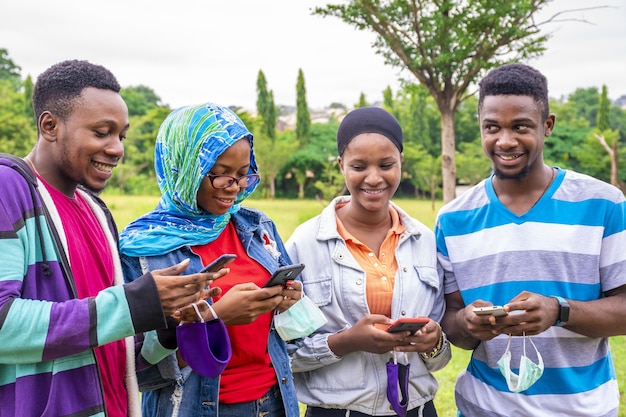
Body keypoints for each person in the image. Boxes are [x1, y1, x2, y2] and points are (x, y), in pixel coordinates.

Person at [0, 60, 220, 417]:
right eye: (102, 132)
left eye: (121, 136)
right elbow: (3, 323)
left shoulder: (96, 212)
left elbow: (112, 350)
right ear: (50, 126)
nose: (117, 148)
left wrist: (166, 329)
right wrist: (132, 304)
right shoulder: (8, 189)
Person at [436, 63, 626, 416]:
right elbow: (451, 323)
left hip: (583, 409)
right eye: (492, 127)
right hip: (484, 408)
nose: (505, 141)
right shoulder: (453, 219)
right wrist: (467, 323)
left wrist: (559, 311)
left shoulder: (603, 204)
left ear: (547, 125)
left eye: (520, 126)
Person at [119, 102, 302, 417]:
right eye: (220, 175)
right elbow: (132, 366)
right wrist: (214, 316)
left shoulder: (258, 228)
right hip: (196, 408)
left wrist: (288, 300)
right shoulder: (142, 247)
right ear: (186, 167)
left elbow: (290, 334)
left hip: (273, 402)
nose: (234, 188)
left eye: (243, 175)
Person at [285, 106, 451, 417]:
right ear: (340, 165)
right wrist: (345, 342)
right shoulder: (303, 244)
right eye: (359, 166)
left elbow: (440, 358)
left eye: (386, 164)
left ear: (401, 162)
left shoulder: (425, 241)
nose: (373, 178)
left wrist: (434, 341)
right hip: (336, 411)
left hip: (418, 409)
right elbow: (283, 354)